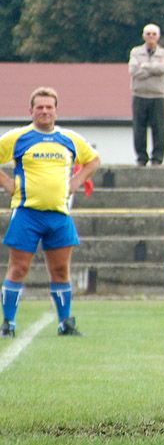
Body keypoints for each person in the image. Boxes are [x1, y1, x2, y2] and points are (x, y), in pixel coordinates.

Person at [0, 87, 100, 339]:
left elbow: (93, 161)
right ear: (31, 110)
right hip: (26, 213)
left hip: (58, 214)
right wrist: (7, 183)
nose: (44, 111)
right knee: (18, 269)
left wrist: (77, 181)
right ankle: (8, 323)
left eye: (49, 107)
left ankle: (65, 322)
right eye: (40, 107)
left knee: (60, 271)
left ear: (56, 110)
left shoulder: (69, 139)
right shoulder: (18, 138)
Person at [129, 23, 164, 166]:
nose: (151, 37)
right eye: (148, 34)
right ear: (143, 36)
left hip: (158, 95)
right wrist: (153, 69)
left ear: (158, 37)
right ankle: (141, 157)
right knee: (139, 128)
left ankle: (157, 158)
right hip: (139, 94)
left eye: (154, 34)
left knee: (158, 128)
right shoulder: (136, 52)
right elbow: (134, 71)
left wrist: (145, 66)